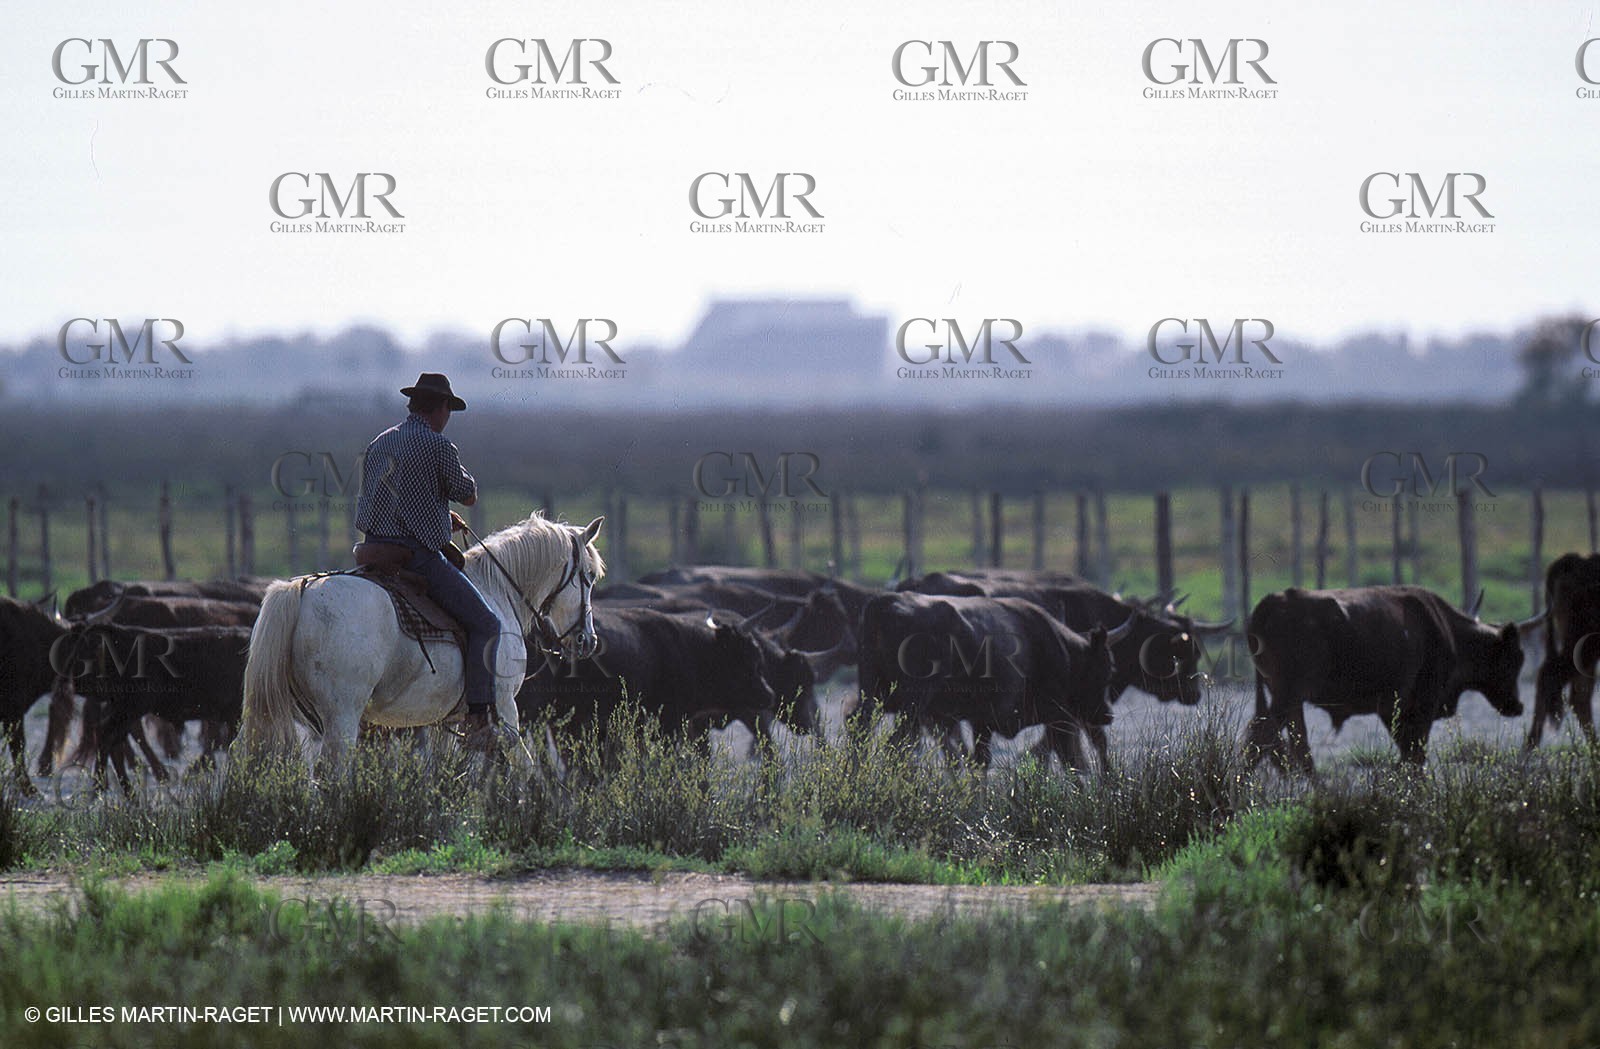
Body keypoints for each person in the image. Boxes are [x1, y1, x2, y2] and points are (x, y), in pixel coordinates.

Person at [355, 373, 501, 744]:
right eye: (447, 409)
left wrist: (436, 514)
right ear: (438, 408)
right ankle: (480, 717)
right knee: (486, 624)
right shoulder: (438, 446)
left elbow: (396, 500)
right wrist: (441, 507)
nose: (447, 416)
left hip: (373, 551)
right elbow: (467, 494)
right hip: (414, 558)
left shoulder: (380, 442)